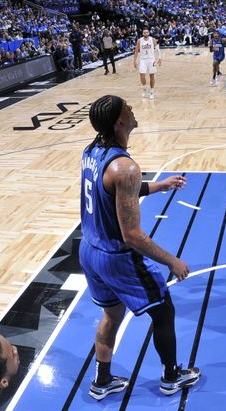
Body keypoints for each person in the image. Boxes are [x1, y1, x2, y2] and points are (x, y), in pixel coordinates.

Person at [80, 94, 200, 400]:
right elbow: (132, 234)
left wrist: (159, 185)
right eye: (128, 108)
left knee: (111, 315)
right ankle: (171, 377)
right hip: (115, 257)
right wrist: (172, 261)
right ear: (120, 121)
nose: (133, 110)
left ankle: (102, 380)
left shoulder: (92, 151)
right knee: (163, 311)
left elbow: (115, 193)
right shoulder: (126, 168)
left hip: (89, 251)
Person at [133, 28, 160, 100]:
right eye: (144, 32)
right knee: (142, 75)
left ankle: (152, 91)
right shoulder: (139, 40)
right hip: (143, 60)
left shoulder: (152, 39)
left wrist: (159, 58)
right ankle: (144, 88)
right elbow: (136, 51)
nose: (146, 34)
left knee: (152, 76)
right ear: (142, 33)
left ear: (149, 33)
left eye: (147, 32)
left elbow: (157, 49)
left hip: (151, 60)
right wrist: (134, 61)